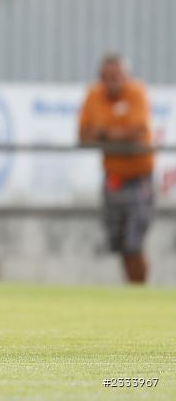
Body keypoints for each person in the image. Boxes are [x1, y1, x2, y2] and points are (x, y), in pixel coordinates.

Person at [79, 54, 155, 284]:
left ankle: (140, 293)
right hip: (112, 179)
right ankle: (132, 292)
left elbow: (138, 132)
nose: (112, 81)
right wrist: (118, 136)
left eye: (117, 76)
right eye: (106, 77)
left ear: (126, 76)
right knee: (120, 244)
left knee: (134, 243)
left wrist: (104, 134)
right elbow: (83, 136)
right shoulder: (93, 96)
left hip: (138, 179)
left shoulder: (136, 93)